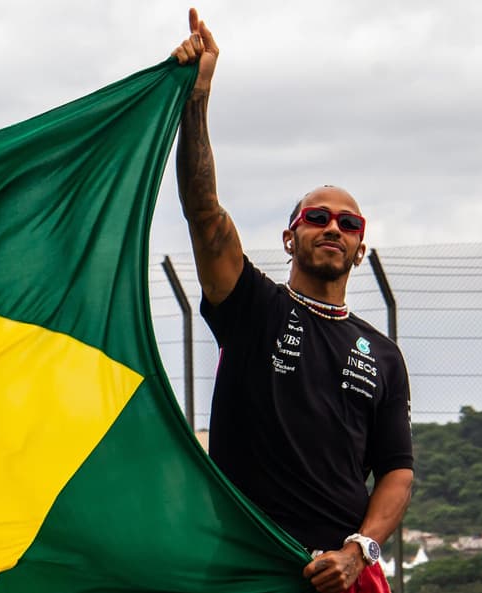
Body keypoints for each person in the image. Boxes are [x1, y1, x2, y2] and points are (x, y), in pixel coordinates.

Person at [171, 9, 414, 593]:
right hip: (246, 562)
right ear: (291, 236)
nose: (334, 227)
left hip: (340, 574)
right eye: (318, 217)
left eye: (349, 222)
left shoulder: (383, 355)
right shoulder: (253, 307)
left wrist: (360, 551)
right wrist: (196, 99)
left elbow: (397, 473)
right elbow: (205, 215)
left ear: (360, 248)